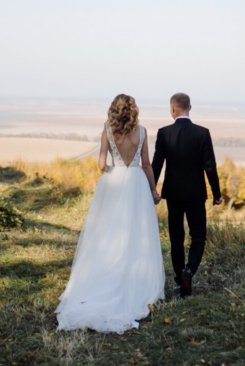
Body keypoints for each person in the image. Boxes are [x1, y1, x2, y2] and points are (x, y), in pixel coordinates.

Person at [55, 94, 164, 333]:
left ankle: (104, 274)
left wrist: (112, 168)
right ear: (134, 110)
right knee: (138, 233)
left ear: (113, 110)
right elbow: (146, 164)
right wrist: (153, 190)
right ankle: (135, 280)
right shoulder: (142, 131)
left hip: (114, 183)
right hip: (136, 182)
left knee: (107, 232)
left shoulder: (107, 130)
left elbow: (101, 163)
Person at [151, 93, 222, 298]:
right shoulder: (203, 133)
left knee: (176, 237)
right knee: (198, 235)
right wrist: (217, 194)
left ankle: (179, 279)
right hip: (196, 194)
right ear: (190, 107)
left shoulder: (164, 133)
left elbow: (157, 164)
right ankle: (188, 271)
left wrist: (151, 190)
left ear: (172, 109)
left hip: (173, 193)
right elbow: (210, 166)